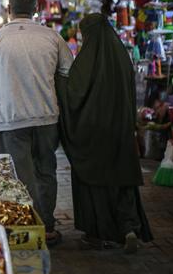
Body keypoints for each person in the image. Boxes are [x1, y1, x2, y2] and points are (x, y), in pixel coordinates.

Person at [0, 0, 74, 246]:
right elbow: (68, 71)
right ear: (37, 9)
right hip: (46, 116)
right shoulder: (52, 37)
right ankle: (46, 226)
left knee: (20, 174)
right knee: (46, 171)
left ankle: (28, 227)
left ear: (8, 9)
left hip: (10, 119)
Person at [57, 13, 153, 253]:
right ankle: (129, 228)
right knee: (122, 183)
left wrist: (58, 81)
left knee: (96, 184)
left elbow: (73, 94)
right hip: (120, 133)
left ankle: (100, 235)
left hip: (93, 135)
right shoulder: (121, 56)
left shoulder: (86, 61)